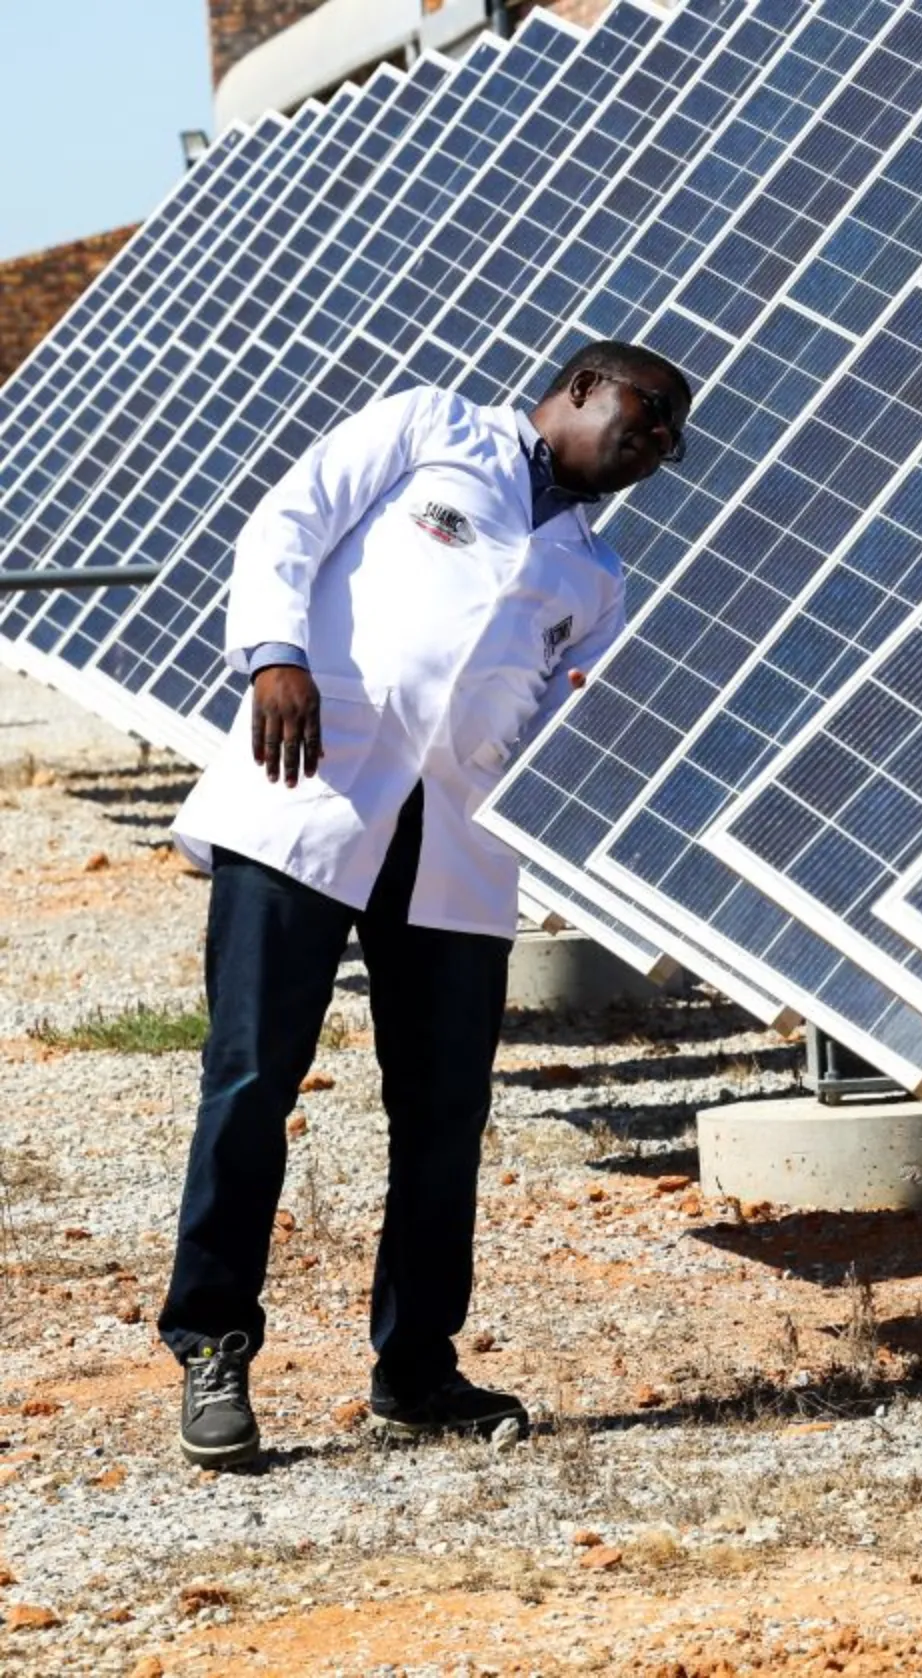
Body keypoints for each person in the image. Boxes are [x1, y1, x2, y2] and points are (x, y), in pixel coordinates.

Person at [159, 342, 691, 1466]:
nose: (656, 449)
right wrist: (273, 656)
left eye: (670, 442)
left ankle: (418, 1368)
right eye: (646, 419)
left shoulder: (597, 577)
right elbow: (287, 525)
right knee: (253, 1077)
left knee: (444, 1115)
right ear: (582, 387)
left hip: (455, 848)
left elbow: (569, 732)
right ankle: (213, 1344)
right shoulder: (428, 430)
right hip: (309, 787)